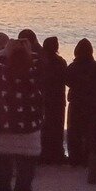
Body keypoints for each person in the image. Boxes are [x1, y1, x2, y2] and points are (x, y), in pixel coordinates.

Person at [0, 38, 43, 191]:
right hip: (29, 123)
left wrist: (4, 52)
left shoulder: (0, 70)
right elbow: (41, 64)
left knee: (3, 160)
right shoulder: (34, 71)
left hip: (4, 122)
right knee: (26, 161)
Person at [63, 38, 96, 168]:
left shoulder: (73, 66)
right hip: (91, 102)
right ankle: (87, 157)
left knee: (74, 131)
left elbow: (67, 81)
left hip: (76, 102)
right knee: (89, 131)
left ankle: (74, 158)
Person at [38, 36, 68, 164]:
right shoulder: (60, 62)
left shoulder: (40, 62)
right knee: (57, 126)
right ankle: (56, 154)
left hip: (44, 97)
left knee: (45, 126)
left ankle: (44, 154)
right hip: (57, 98)